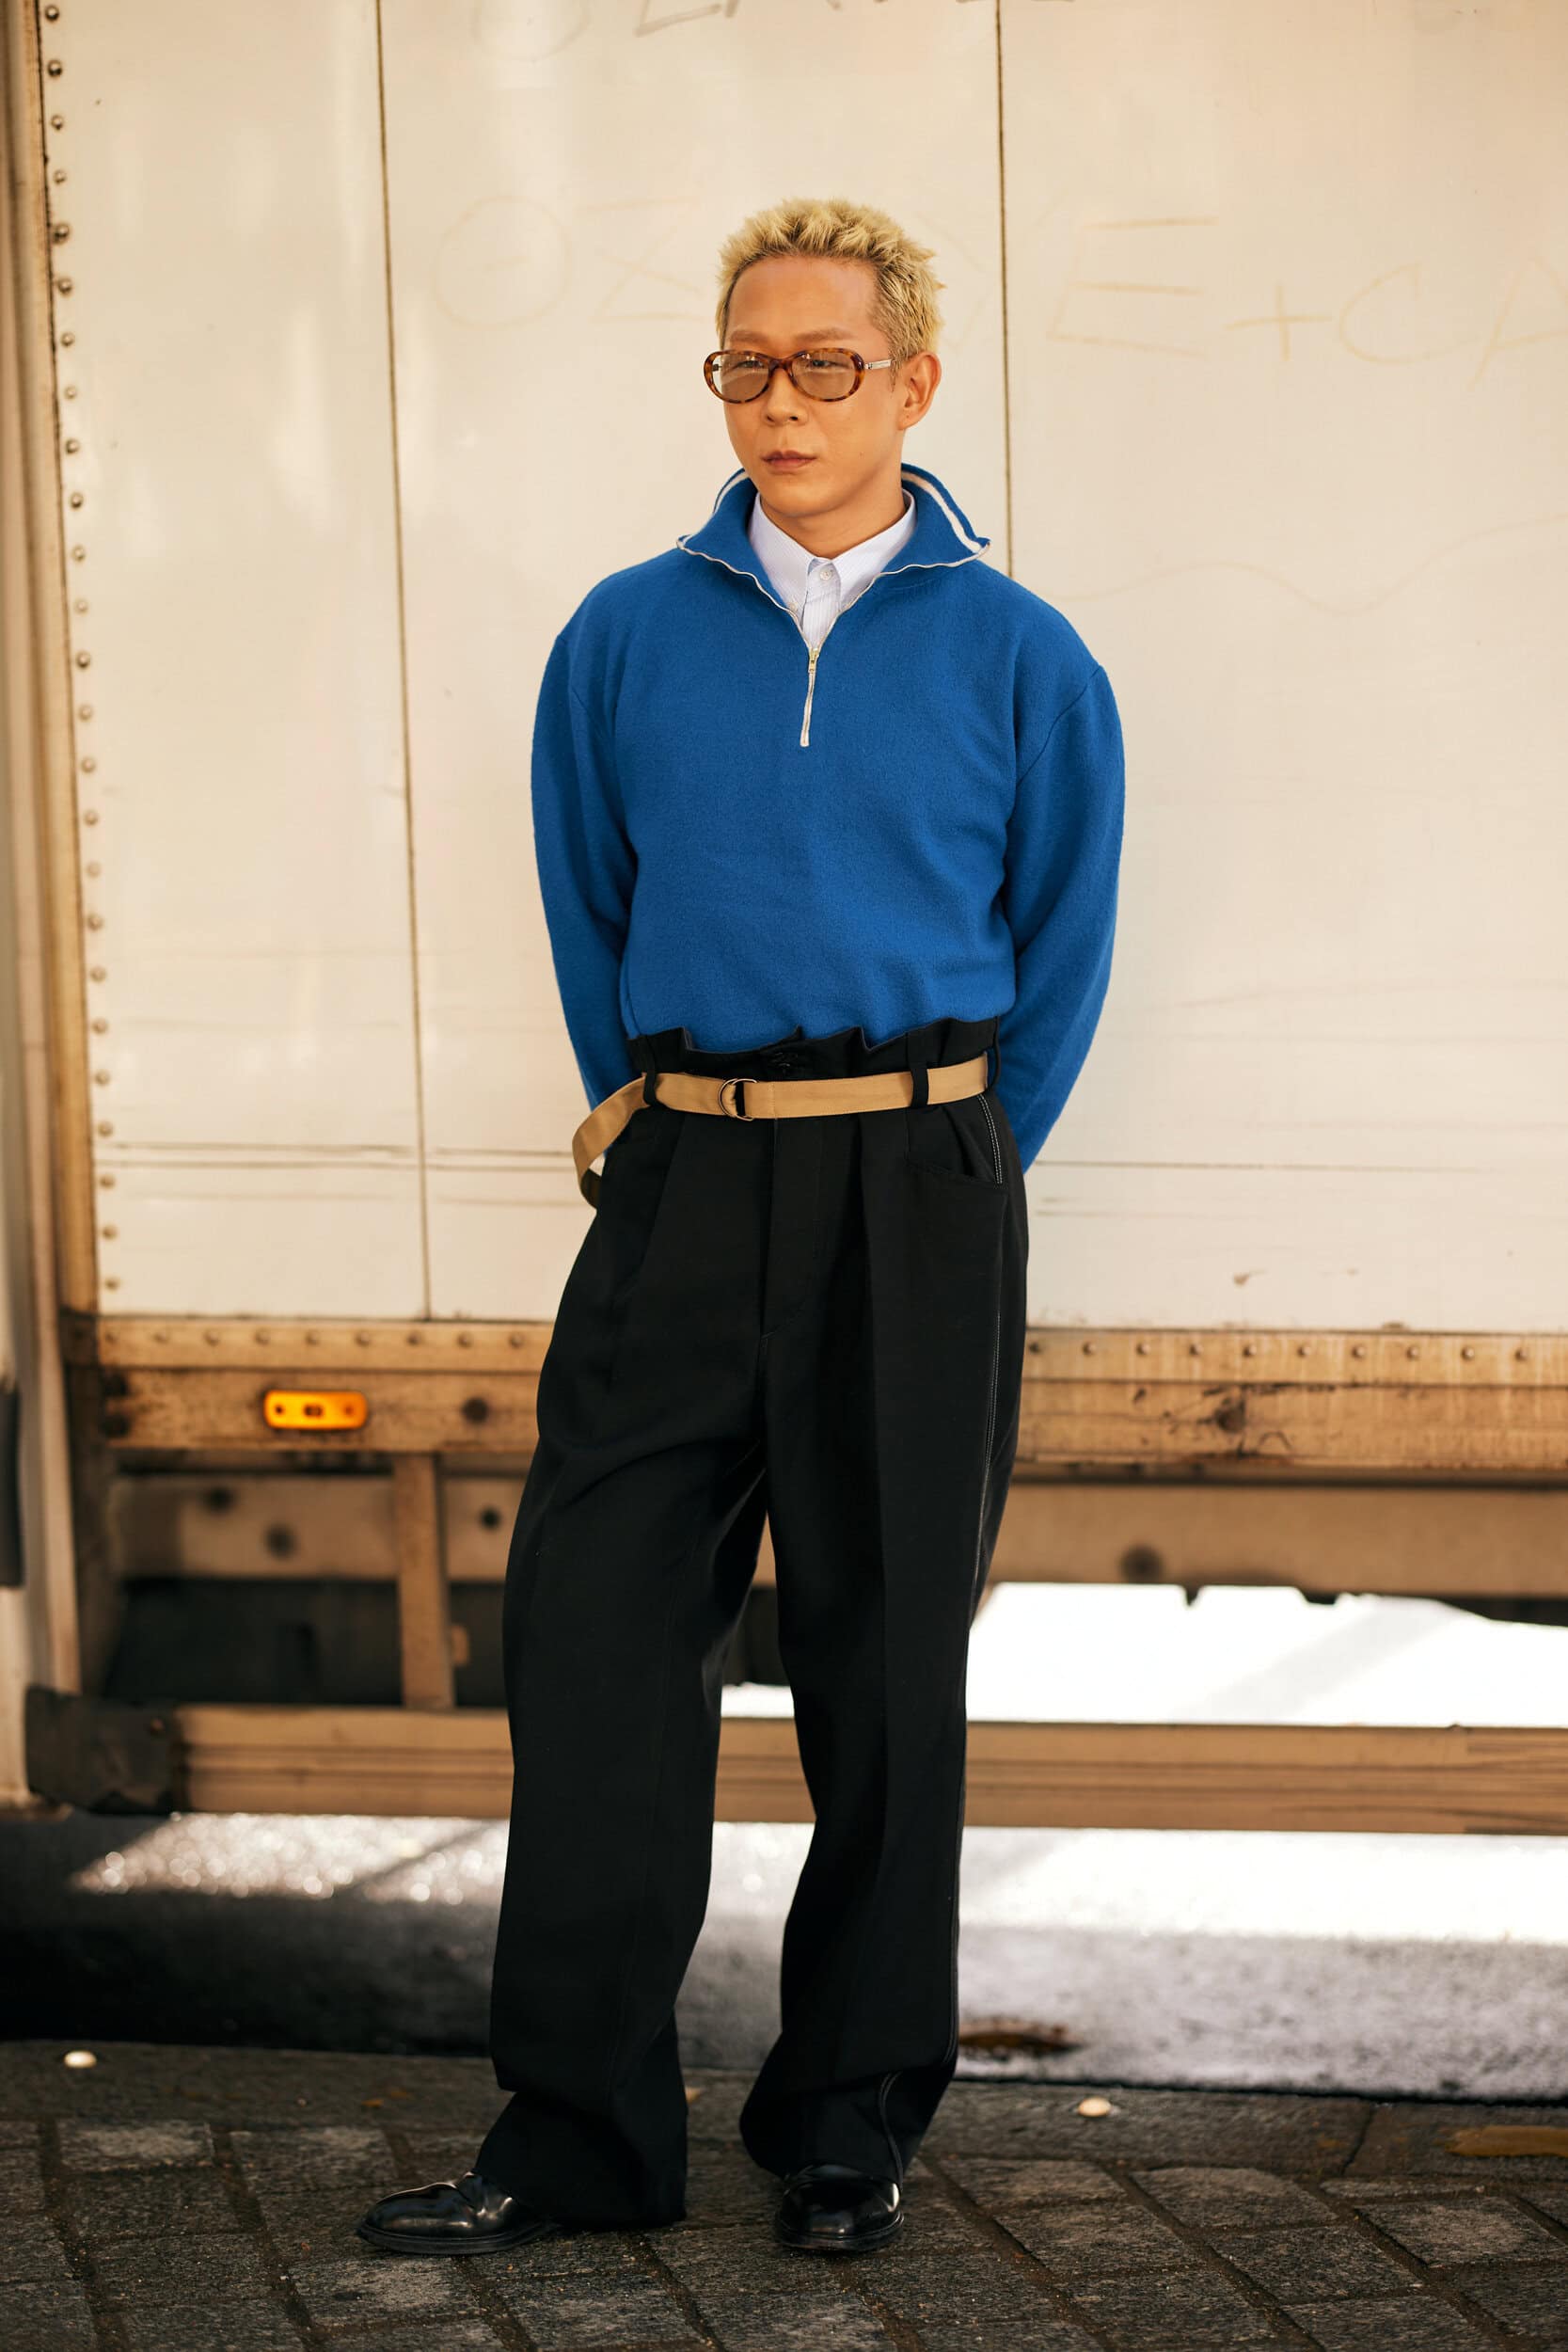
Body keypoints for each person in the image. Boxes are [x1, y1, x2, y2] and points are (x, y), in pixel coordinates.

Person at [358, 193, 1124, 2260]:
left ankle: (849, 2126)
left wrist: (961, 1159)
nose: (782, 404)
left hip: (917, 1189)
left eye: (825, 366)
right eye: (747, 367)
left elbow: (1063, 940)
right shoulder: (625, 632)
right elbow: (584, 892)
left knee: (886, 1668)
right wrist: (654, 1110)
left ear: (914, 383)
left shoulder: (1024, 654)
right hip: (685, 1174)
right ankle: (578, 2139)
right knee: (598, 1643)